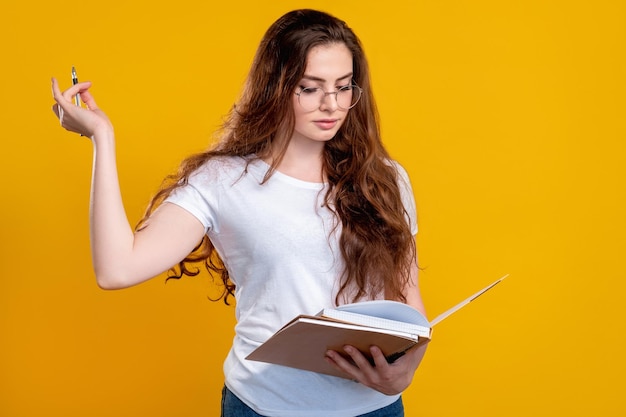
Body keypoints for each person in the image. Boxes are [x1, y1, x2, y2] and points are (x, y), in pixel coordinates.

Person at [51, 9, 427, 417]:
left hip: (377, 409)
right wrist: (101, 139)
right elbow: (116, 269)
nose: (331, 105)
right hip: (265, 406)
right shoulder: (222, 182)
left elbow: (408, 302)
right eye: (310, 88)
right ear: (276, 86)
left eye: (343, 87)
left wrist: (405, 371)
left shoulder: (385, 178)